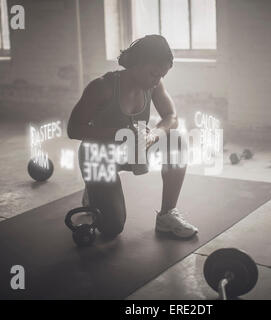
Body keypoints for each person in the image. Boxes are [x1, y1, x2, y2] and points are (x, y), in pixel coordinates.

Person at [67, 34, 198, 239]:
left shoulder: (153, 85)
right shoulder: (102, 87)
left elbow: (172, 117)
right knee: (112, 228)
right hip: (99, 155)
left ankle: (166, 215)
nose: (157, 80)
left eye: (161, 76)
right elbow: (73, 129)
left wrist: (153, 135)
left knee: (176, 141)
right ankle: (94, 191)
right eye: (154, 74)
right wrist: (121, 133)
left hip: (133, 148)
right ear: (137, 64)